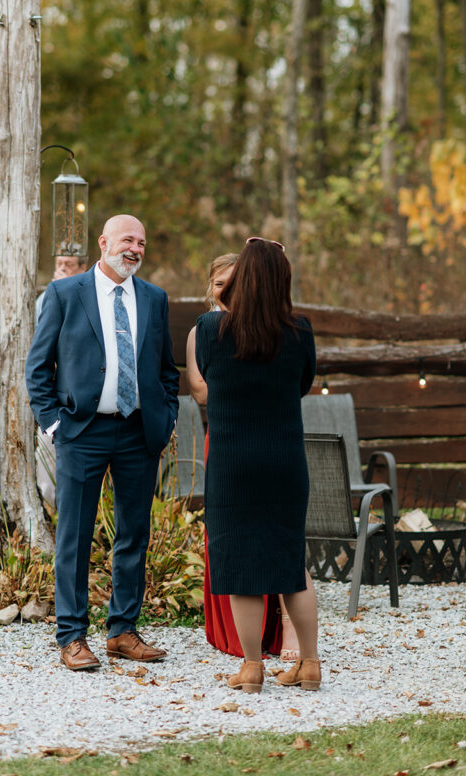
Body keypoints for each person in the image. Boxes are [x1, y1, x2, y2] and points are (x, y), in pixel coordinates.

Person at [26, 214, 180, 672]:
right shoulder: (65, 293)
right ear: (104, 242)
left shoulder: (154, 298)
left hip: (138, 433)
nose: (135, 248)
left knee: (134, 533)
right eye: (127, 239)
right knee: (73, 535)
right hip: (81, 431)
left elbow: (167, 371)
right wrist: (54, 425)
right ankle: (72, 636)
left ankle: (122, 631)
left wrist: (165, 419)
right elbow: (39, 368)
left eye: (142, 242)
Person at [188, 237, 321, 694]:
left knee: (241, 565)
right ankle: (309, 663)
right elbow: (303, 383)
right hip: (285, 461)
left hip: (232, 463)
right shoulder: (300, 331)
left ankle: (251, 667)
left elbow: (205, 379)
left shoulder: (210, 331)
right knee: (291, 561)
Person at [34, 255, 88, 506]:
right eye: (58, 264)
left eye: (69, 264)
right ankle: (49, 513)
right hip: (56, 404)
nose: (62, 268)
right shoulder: (45, 299)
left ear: (83, 268)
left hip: (90, 405)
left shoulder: (94, 298)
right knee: (46, 465)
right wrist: (49, 419)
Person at [35, 255, 87, 325]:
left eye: (69, 265)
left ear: (82, 269)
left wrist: (66, 290)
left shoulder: (88, 296)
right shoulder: (44, 297)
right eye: (59, 263)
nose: (62, 268)